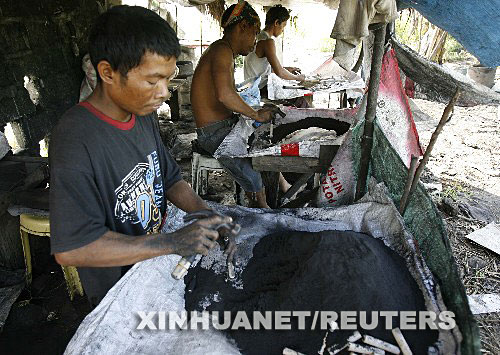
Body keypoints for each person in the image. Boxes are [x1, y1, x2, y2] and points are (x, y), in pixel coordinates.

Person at [49, 5, 236, 306]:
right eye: (152, 81)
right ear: (107, 72)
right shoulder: (76, 138)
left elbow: (171, 178)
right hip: (118, 290)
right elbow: (73, 248)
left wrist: (207, 213)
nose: (163, 92)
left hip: (154, 264)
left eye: (167, 78)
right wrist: (172, 241)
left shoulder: (142, 112)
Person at [191, 1, 290, 208]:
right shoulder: (222, 51)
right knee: (252, 179)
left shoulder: (222, 51)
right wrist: (255, 114)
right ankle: (262, 216)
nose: (255, 42)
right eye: (254, 33)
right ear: (242, 26)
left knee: (264, 144)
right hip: (214, 133)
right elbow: (225, 95)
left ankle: (282, 187)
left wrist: (254, 112)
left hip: (221, 127)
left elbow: (227, 95)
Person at [243, 5, 305, 97]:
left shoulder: (257, 37)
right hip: (259, 89)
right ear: (276, 23)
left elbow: (268, 70)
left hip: (251, 87)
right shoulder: (267, 41)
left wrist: (288, 69)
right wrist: (298, 77)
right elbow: (279, 72)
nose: (283, 30)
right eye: (283, 25)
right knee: (300, 96)